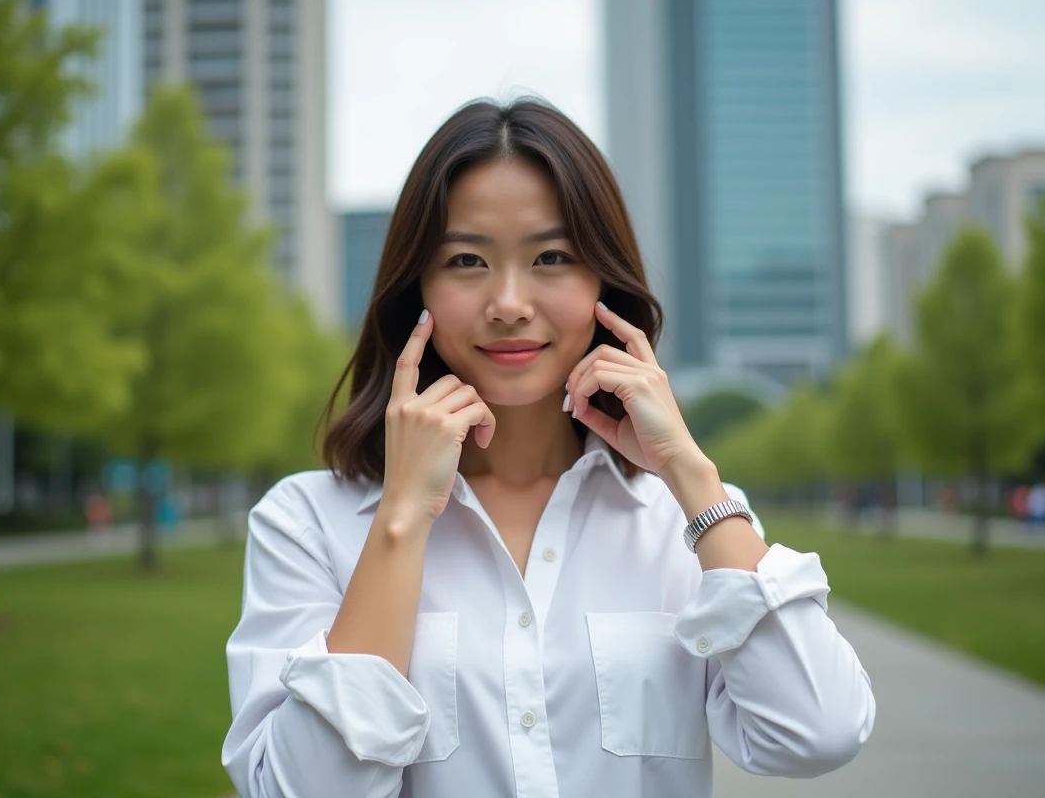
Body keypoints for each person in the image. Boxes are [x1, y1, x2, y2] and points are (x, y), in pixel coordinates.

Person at [221, 98, 876, 798]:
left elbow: (818, 732)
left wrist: (688, 471)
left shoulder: (688, 526)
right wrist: (402, 521)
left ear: (605, 282)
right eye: (467, 259)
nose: (508, 301)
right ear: (418, 288)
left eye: (552, 257)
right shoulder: (308, 523)